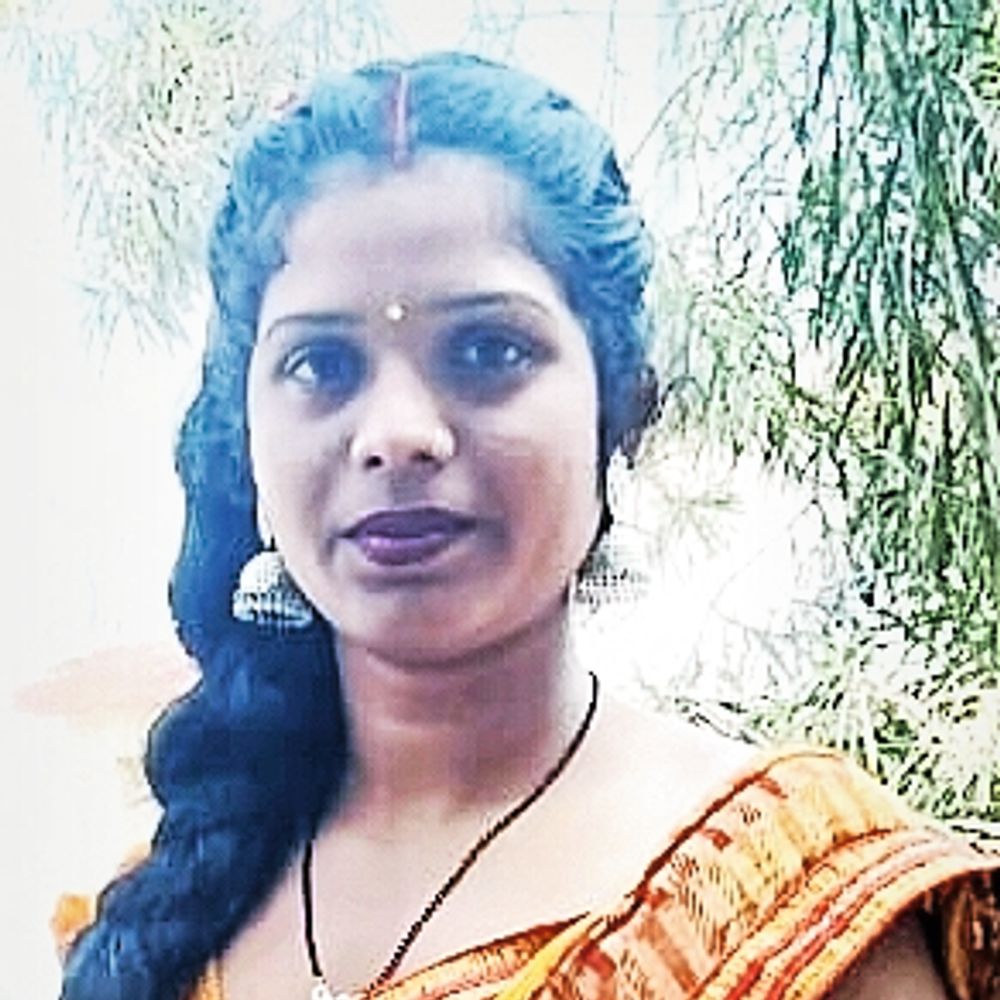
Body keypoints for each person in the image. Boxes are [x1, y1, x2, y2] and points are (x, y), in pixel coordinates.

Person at [56, 53, 997, 1000]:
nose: (396, 435)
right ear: (247, 434)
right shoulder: (163, 921)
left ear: (620, 410)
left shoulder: (788, 908)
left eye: (486, 349)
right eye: (322, 365)